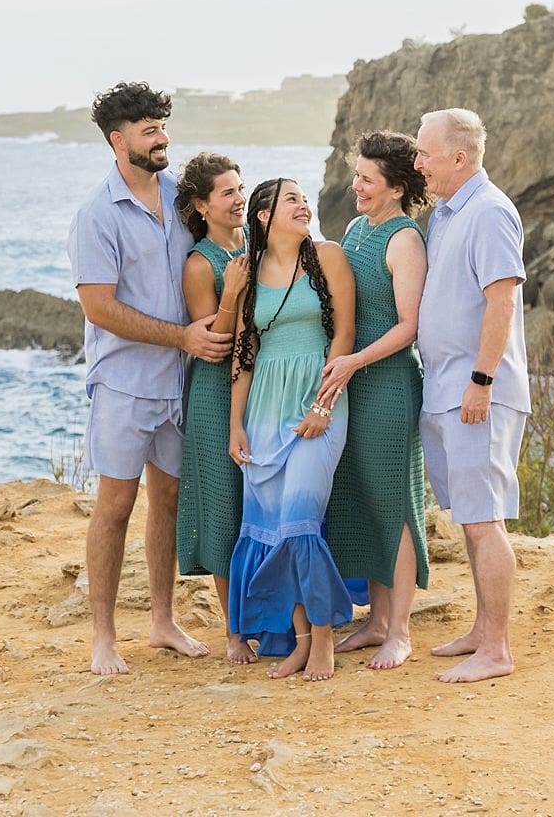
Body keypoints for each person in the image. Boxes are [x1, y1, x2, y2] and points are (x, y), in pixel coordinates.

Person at [67, 82, 233, 676]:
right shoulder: (96, 216)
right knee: (114, 505)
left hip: (183, 380)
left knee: (168, 497)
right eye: (149, 130)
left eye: (163, 126)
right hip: (123, 383)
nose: (162, 138)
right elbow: (99, 308)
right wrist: (181, 336)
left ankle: (163, 622)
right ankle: (104, 637)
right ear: (118, 140)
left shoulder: (182, 198)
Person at [414, 107, 530, 685]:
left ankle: (498, 649)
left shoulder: (488, 212)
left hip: (476, 392)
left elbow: (501, 300)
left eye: (425, 154)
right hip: (446, 390)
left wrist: (481, 381)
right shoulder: (446, 213)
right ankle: (483, 632)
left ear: (458, 157)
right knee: (470, 517)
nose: (417, 165)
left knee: (484, 521)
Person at [227, 178, 357, 681]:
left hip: (319, 402)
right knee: (277, 530)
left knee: (302, 523)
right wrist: (235, 424)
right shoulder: (249, 273)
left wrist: (323, 406)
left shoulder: (328, 257)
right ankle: (300, 642)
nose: (304, 206)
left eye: (305, 199)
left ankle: (323, 638)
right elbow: (244, 353)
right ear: (264, 216)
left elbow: (343, 334)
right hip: (263, 411)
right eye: (292, 200)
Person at [320, 130, 430, 669]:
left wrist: (355, 361)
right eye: (356, 175)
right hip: (350, 384)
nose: (355, 186)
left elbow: (409, 326)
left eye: (366, 179)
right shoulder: (358, 228)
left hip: (387, 385)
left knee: (394, 502)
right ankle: (376, 619)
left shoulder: (405, 240)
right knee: (360, 499)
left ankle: (401, 630)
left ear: (395, 187)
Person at [173, 151, 254, 664]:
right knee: (225, 508)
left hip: (259, 388)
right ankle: (234, 633)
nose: (239, 198)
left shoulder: (254, 244)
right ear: (203, 205)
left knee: (261, 506)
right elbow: (214, 342)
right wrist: (235, 293)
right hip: (214, 392)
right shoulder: (200, 264)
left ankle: (274, 616)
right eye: (227, 192)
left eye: (240, 188)